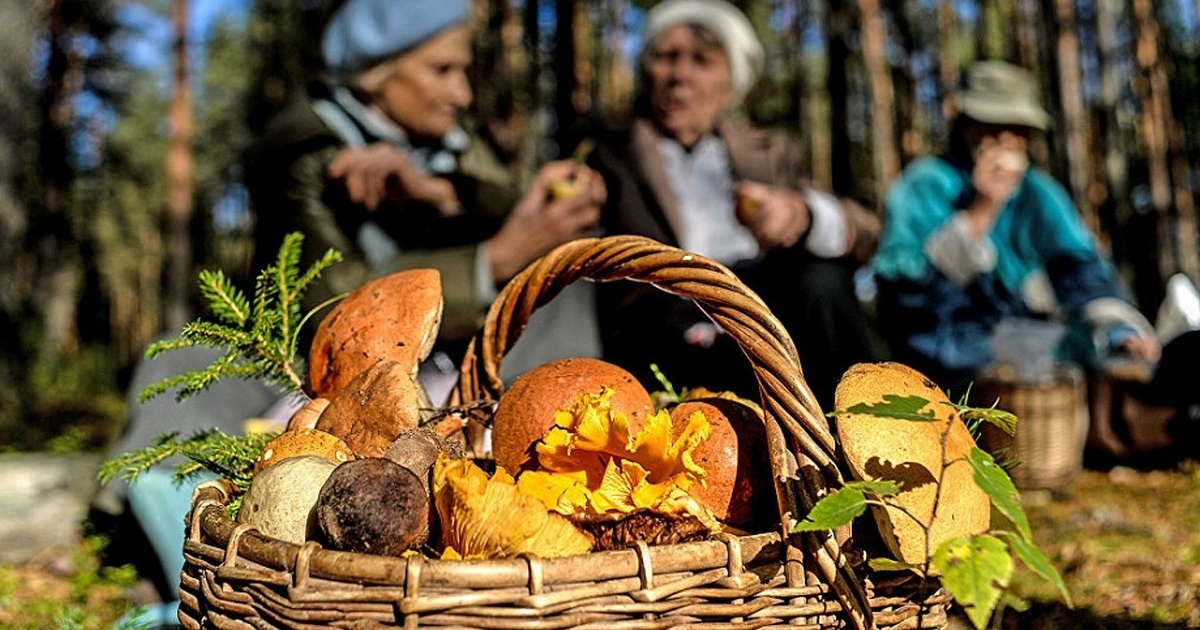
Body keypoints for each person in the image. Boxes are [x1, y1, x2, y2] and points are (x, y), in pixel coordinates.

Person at [246, 0, 608, 394]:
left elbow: (504, 203)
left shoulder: (447, 139)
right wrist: (495, 259)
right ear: (378, 73)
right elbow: (334, 308)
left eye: (462, 70)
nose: (463, 94)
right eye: (442, 70)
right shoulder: (305, 149)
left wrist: (438, 193)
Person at [871, 60, 1198, 461]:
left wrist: (1118, 330)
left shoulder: (1038, 192)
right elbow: (905, 297)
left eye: (1017, 129)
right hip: (953, 360)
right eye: (993, 125)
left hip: (1040, 345)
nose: (1006, 139)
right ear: (964, 123)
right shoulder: (925, 183)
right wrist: (981, 212)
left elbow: (1081, 270)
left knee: (1153, 355)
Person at [586, 0, 882, 410]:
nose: (679, 75)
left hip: (762, 326)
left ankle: (862, 422)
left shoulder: (769, 153)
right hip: (660, 336)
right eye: (666, 57)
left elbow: (865, 232)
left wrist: (803, 214)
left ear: (732, 81)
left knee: (823, 281)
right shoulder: (608, 154)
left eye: (702, 61)